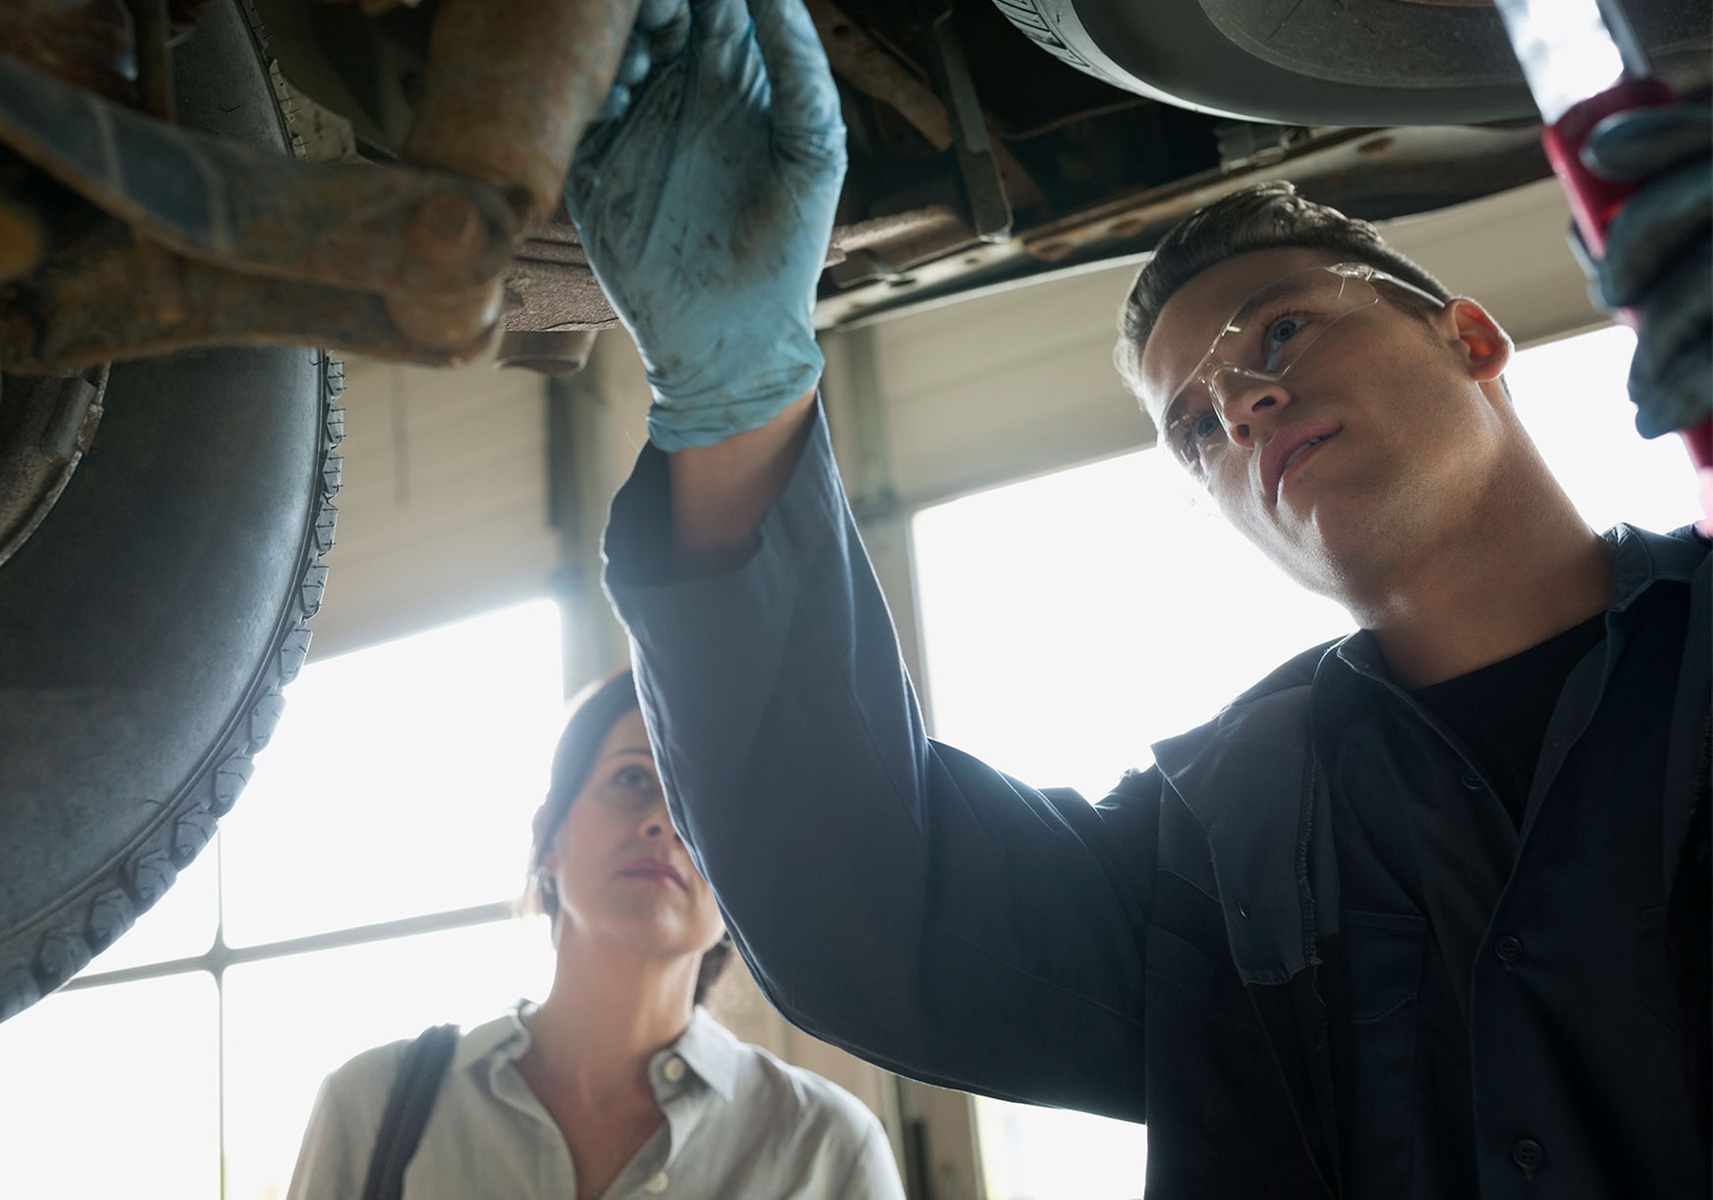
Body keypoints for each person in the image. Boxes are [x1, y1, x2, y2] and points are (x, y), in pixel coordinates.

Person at [562, 0, 1713, 1196]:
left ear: (1469, 340)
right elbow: (876, 903)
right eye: (1196, 427)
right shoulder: (1226, 838)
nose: (1244, 409)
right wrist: (737, 397)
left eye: (1281, 332)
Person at [285, 671, 903, 1200]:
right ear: (549, 836)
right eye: (632, 779)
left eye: (706, 806)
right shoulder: (370, 1106)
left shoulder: (830, 1150)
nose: (665, 823)